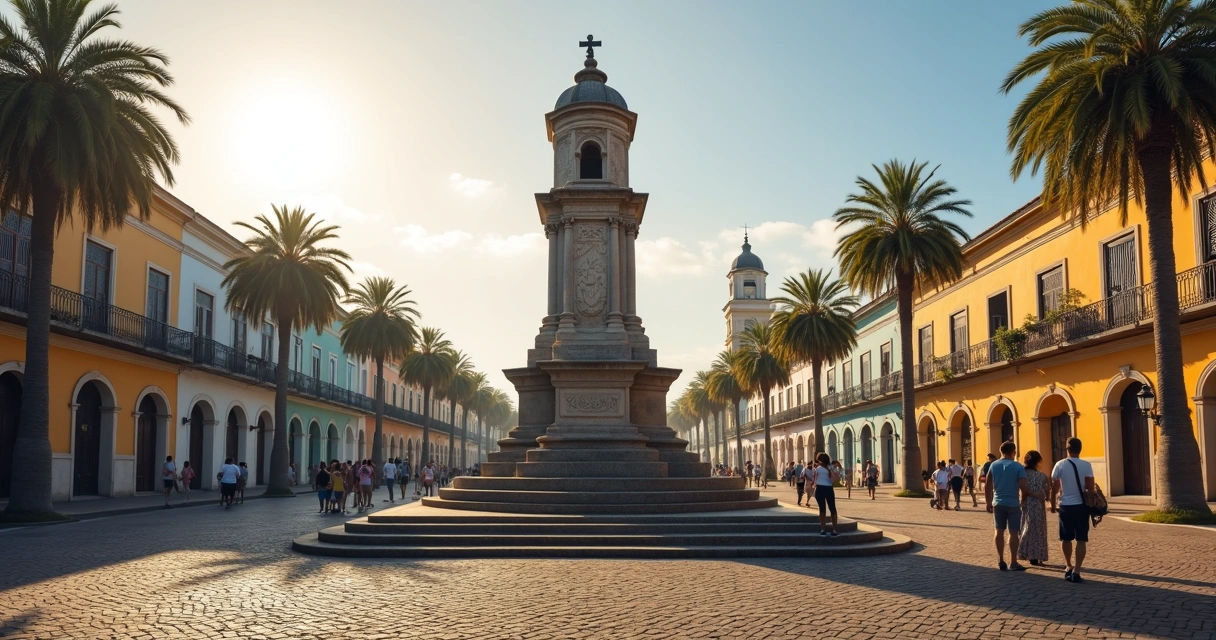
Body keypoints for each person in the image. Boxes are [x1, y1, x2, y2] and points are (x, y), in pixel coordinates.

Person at [1051, 437, 1095, 583]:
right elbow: (1090, 488)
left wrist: (1053, 505)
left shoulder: (1060, 464)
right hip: (1081, 506)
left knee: (1066, 538)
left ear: (1067, 449)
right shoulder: (1086, 465)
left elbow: (1055, 487)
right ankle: (1077, 570)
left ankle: (1068, 565)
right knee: (1081, 539)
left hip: (1065, 506)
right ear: (1080, 449)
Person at [985, 440, 1030, 571]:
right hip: (1013, 503)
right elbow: (1023, 485)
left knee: (999, 530)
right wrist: (1024, 499)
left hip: (998, 502)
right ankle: (1013, 561)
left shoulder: (993, 465)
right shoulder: (1018, 466)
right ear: (1013, 452)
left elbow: (988, 485)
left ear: (1001, 451)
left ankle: (1001, 560)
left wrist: (988, 502)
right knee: (1013, 532)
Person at [1018, 450, 1051, 567]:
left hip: (1025, 504)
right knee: (1038, 531)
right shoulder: (1041, 476)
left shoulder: (1021, 474)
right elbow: (1047, 493)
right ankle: (1036, 555)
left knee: (1025, 528)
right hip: (1038, 506)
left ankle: (1024, 552)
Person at [811, 453, 840, 536]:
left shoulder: (816, 468)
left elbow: (814, 478)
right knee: (833, 509)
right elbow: (836, 478)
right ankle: (834, 529)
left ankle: (823, 529)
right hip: (829, 488)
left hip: (819, 489)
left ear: (819, 460)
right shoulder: (830, 468)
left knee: (822, 509)